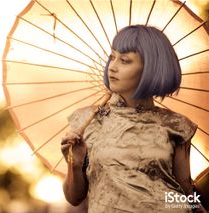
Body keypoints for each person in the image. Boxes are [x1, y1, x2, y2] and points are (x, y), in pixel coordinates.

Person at [60, 25, 207, 213]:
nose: (112, 67)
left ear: (150, 69)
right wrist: (75, 164)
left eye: (125, 60)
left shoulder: (176, 125)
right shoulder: (87, 121)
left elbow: (185, 191)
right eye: (112, 57)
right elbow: (74, 198)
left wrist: (197, 209)